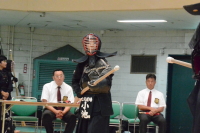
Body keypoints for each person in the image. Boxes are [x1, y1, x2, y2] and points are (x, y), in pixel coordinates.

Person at [72, 33, 117, 133]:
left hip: (100, 103)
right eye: (89, 44)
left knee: (95, 130)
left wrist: (96, 85)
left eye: (93, 44)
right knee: (83, 130)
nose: (91, 46)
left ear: (97, 45)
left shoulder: (104, 63)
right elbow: (75, 80)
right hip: (86, 102)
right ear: (85, 46)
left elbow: (107, 84)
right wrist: (78, 91)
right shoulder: (81, 64)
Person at [41, 69, 76, 133]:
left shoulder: (68, 88)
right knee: (46, 115)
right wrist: (56, 111)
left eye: (61, 76)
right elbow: (45, 102)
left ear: (64, 77)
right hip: (51, 108)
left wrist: (63, 112)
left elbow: (69, 103)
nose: (59, 78)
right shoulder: (47, 86)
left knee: (72, 117)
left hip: (64, 109)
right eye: (57, 76)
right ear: (53, 78)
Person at [0, 55, 14, 132]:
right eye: (4, 61)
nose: (6, 63)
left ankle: (6, 130)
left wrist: (7, 93)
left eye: (6, 61)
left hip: (7, 96)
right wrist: (2, 93)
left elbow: (10, 85)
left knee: (6, 115)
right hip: (0, 95)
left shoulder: (7, 73)